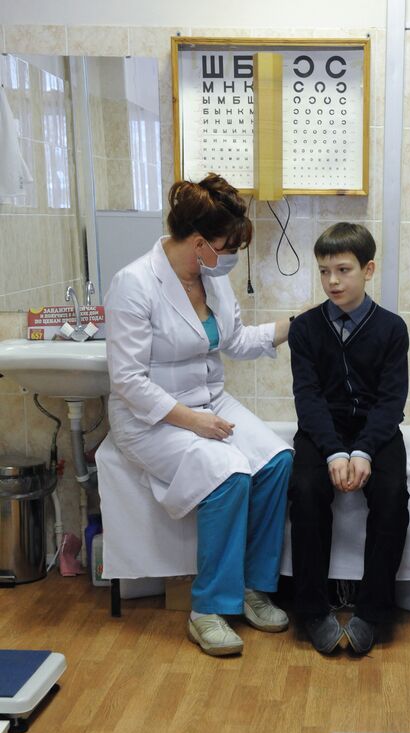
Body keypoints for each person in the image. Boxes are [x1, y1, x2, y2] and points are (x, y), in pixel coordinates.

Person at [105, 173, 293, 658]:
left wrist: (294, 326)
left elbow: (234, 341)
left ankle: (253, 586)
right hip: (152, 417)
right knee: (229, 472)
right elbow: (127, 382)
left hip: (209, 399)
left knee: (277, 461)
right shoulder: (134, 284)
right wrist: (194, 422)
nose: (231, 255)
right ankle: (207, 608)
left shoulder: (211, 278)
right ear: (199, 242)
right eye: (227, 246)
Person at [288, 222, 410, 655]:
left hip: (375, 431)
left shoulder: (392, 329)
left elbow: (392, 401)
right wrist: (334, 450)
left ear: (369, 269)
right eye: (324, 272)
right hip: (323, 431)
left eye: (343, 270)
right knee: (304, 490)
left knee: (393, 495)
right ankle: (312, 609)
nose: (332, 281)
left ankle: (373, 611)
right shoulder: (304, 329)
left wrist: (363, 450)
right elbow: (309, 398)